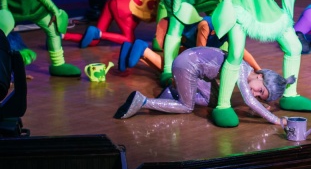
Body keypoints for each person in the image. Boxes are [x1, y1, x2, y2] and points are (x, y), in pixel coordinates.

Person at [114, 46, 294, 125]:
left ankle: (173, 93)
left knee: (214, 100)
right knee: (187, 107)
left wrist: (259, 107)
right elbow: (248, 99)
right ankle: (143, 101)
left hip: (192, 66)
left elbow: (249, 98)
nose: (255, 93)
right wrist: (276, 120)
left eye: (260, 96)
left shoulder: (245, 69)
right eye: (260, 90)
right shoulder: (241, 68)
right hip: (187, 65)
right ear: (261, 76)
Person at [117, 17, 262, 73]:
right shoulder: (206, 26)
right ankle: (143, 49)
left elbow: (241, 51)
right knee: (175, 69)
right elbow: (200, 53)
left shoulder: (228, 30)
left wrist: (258, 69)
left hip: (187, 46)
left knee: (173, 69)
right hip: (173, 36)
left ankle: (130, 49)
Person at [65, 0, 160, 48]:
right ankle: (98, 33)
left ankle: (62, 35)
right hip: (124, 6)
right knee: (129, 40)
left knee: (94, 41)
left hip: (116, 1)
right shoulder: (163, 4)